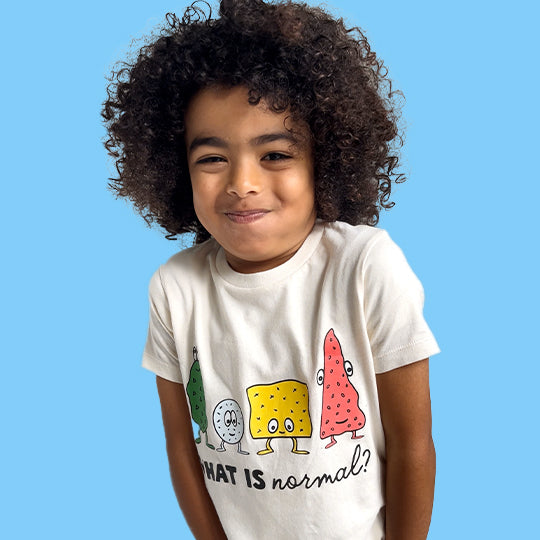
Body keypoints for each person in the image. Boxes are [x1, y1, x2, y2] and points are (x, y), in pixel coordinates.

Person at [102, 0, 440, 538]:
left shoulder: (364, 265)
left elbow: (411, 445)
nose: (242, 183)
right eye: (212, 159)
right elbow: (181, 448)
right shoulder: (174, 287)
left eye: (276, 155)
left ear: (324, 159)